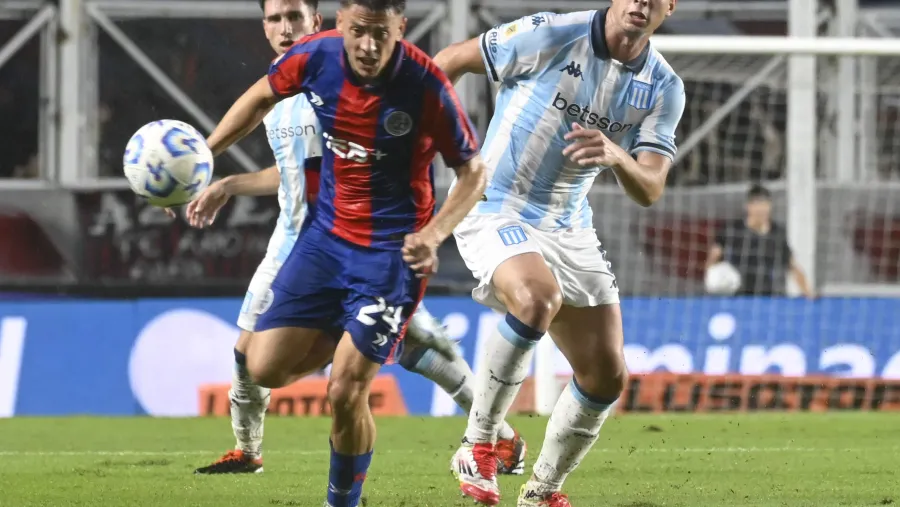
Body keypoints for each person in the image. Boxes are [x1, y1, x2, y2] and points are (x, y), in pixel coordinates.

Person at [180, 0, 525, 477]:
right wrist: (220, 173)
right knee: (257, 361)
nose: (286, 28)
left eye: (294, 18)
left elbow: (456, 170)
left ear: (317, 20)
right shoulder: (294, 82)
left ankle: (493, 433)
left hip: (369, 244)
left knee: (361, 374)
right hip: (305, 242)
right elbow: (288, 172)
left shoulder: (371, 86)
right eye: (276, 19)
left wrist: (431, 233)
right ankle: (252, 446)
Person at [433, 1, 685, 505]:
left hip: (568, 224)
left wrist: (617, 154)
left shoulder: (663, 86)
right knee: (536, 299)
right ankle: (477, 444)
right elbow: (450, 60)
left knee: (606, 376)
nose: (640, 3)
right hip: (495, 202)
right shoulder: (552, 32)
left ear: (669, 6)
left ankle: (542, 492)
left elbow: (651, 187)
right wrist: (435, 145)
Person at [706, 183, 815, 298]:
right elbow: (713, 259)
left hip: (769, 297)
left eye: (764, 204)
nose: (760, 209)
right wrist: (713, 281)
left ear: (770, 206)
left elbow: (792, 266)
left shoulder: (777, 233)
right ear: (748, 206)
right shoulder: (733, 230)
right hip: (738, 297)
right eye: (756, 204)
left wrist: (807, 292)